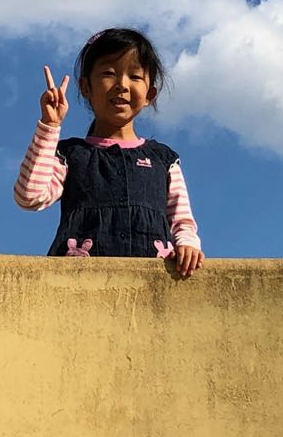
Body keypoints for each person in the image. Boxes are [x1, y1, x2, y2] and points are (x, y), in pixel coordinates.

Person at [13, 27, 205, 277]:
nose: (121, 85)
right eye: (108, 73)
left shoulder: (163, 160)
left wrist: (188, 245)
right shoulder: (71, 155)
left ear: (150, 94)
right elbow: (29, 196)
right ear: (85, 87)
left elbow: (182, 220)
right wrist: (49, 126)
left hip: (151, 283)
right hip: (78, 284)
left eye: (134, 76)